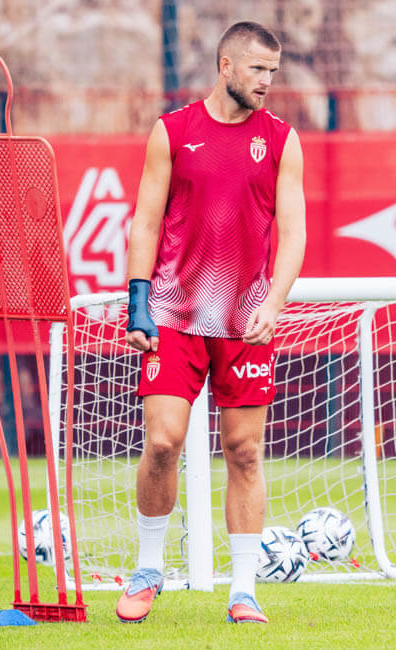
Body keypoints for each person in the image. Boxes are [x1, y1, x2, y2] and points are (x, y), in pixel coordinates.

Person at [116, 21, 306, 625]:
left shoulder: (281, 141)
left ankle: (243, 590)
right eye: (258, 69)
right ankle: (149, 569)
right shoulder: (173, 131)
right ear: (226, 66)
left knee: (245, 452)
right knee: (162, 442)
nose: (267, 81)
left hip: (245, 320)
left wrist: (274, 303)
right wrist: (138, 301)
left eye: (273, 71)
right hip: (173, 314)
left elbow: (294, 233)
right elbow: (146, 221)